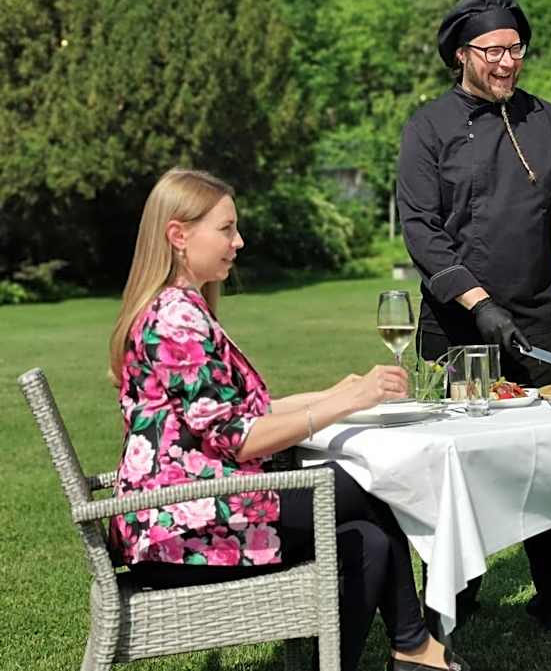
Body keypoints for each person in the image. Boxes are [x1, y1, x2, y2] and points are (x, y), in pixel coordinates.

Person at [107, 169, 470, 671]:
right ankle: (415, 648)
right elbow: (239, 438)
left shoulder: (181, 308)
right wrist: (344, 403)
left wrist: (336, 393)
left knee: (367, 542)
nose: (239, 241)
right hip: (180, 529)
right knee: (372, 485)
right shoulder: (175, 319)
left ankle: (408, 649)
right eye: (226, 228)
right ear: (178, 235)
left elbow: (242, 411)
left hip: (196, 509)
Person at [396, 0, 551, 638]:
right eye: (492, 51)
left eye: (515, 49)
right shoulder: (428, 128)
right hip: (458, 323)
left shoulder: (548, 121)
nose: (506, 62)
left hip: (539, 317)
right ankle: (452, 599)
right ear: (461, 55)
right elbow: (422, 230)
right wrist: (478, 303)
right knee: (457, 468)